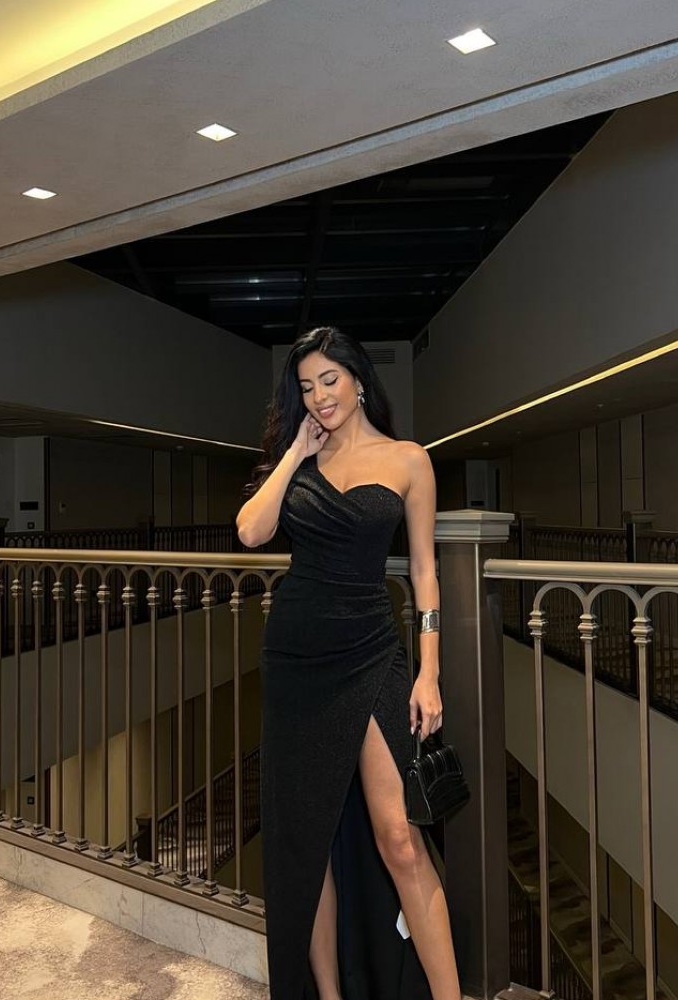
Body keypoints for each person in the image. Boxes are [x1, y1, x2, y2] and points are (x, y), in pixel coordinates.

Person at [236, 327, 462, 1000]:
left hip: (371, 652)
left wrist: (429, 671)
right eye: (306, 386)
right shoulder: (301, 459)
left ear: (358, 379)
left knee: (400, 837)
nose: (319, 396)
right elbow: (250, 531)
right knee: (307, 844)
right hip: (296, 659)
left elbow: (425, 572)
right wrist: (294, 452)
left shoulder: (408, 459)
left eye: (329, 380)